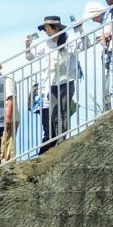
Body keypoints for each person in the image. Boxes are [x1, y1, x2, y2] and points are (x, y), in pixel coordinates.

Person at [36, 16, 78, 147]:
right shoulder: (46, 43)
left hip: (66, 80)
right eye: (45, 29)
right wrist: (27, 46)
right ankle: (58, 139)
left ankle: (62, 139)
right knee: (54, 112)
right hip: (52, 83)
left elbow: (83, 45)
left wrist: (79, 30)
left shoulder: (68, 39)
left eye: (48, 28)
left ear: (56, 28)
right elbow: (30, 55)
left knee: (63, 111)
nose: (46, 31)